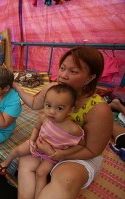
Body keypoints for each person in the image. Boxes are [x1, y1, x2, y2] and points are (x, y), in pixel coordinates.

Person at [15, 46, 113, 199]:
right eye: (62, 68)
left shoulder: (98, 109)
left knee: (66, 179)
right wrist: (16, 87)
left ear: (90, 78)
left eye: (73, 72)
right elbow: (34, 103)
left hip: (78, 153)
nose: (63, 76)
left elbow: (93, 150)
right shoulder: (53, 89)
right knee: (26, 159)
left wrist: (59, 155)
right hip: (49, 144)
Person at [0, 84, 85, 198]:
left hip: (51, 154)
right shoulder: (44, 118)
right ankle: (6, 162)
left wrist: (61, 153)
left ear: (71, 110)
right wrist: (32, 140)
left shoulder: (73, 129)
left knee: (41, 173)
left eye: (59, 108)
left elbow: (81, 145)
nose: (52, 111)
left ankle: (38, 196)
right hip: (37, 144)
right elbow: (37, 128)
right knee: (17, 150)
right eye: (48, 105)